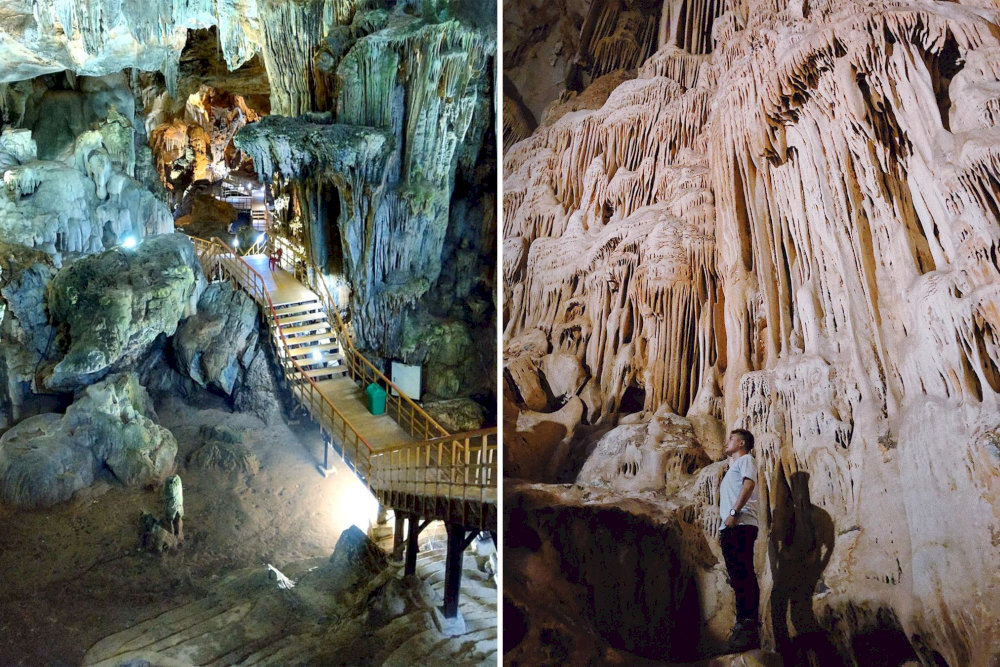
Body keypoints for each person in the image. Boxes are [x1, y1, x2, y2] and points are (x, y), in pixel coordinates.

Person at [719, 428, 760, 651]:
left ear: (742, 443)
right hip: (730, 526)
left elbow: (748, 485)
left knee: (743, 573)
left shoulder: (746, 460)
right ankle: (742, 622)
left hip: (741, 523)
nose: (727, 442)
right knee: (737, 576)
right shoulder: (732, 467)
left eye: (731, 439)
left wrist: (734, 513)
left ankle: (749, 623)